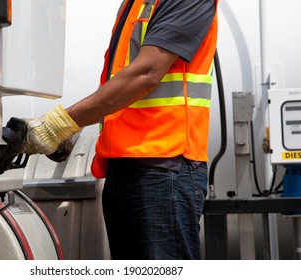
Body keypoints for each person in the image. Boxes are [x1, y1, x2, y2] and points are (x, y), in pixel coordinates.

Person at [23, 0, 218, 260]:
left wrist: (62, 123)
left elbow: (146, 73)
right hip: (127, 168)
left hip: (164, 166)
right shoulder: (135, 4)